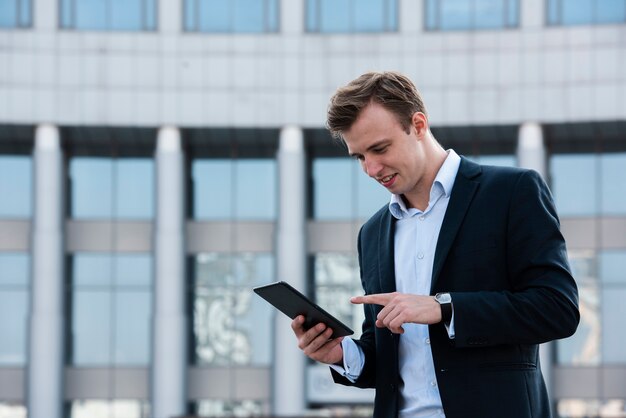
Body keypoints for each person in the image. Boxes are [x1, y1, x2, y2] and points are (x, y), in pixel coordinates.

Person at [291, 71, 579, 418]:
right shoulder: (373, 232)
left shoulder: (511, 192)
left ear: (418, 124)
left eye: (380, 149)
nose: (371, 168)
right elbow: (387, 353)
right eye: (360, 157)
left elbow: (557, 310)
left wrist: (445, 308)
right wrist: (340, 354)